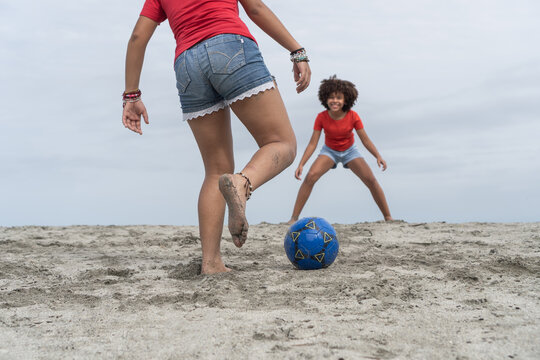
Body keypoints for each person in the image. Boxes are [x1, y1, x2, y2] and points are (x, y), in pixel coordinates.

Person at [122, 0, 311, 274]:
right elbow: (255, 8)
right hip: (230, 46)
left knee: (215, 170)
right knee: (282, 143)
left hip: (186, 64)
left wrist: (132, 95)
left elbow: (138, 36)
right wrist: (297, 51)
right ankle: (242, 182)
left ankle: (211, 263)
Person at [287, 76, 392, 224]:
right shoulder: (321, 117)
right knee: (310, 176)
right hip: (329, 151)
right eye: (331, 97)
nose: (334, 101)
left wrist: (378, 156)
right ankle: (293, 218)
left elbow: (365, 139)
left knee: (370, 180)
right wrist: (301, 164)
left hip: (350, 151)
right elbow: (312, 143)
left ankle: (388, 217)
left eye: (338, 98)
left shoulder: (353, 116)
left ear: (346, 100)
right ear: (325, 99)